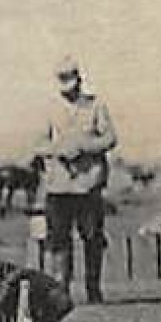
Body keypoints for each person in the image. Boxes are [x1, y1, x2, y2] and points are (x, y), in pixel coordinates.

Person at [37, 56, 117, 303]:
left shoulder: (96, 107)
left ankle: (93, 287)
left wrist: (85, 146)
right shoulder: (50, 109)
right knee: (58, 239)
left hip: (88, 186)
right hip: (59, 186)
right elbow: (38, 144)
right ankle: (62, 289)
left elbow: (110, 139)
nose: (67, 88)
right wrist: (59, 149)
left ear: (79, 81)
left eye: (70, 81)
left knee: (92, 238)